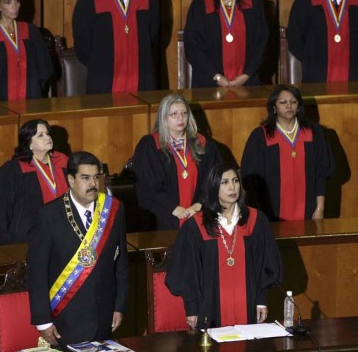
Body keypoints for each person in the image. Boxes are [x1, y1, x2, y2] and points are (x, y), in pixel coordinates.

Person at [27, 151, 128, 347]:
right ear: (71, 180)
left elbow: (121, 263)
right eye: (85, 178)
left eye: (96, 177)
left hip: (104, 317)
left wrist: (119, 305)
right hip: (65, 319)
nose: (93, 184)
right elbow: (36, 273)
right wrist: (43, 321)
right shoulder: (48, 216)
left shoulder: (114, 209)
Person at [165, 162, 283, 330]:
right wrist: (192, 308)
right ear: (214, 187)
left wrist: (261, 301)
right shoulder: (196, 226)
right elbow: (187, 270)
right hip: (209, 309)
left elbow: (265, 264)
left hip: (248, 307)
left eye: (235, 181)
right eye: (225, 182)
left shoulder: (256, 221)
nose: (232, 187)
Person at [72, 0, 160, 94]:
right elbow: (82, 45)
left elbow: (153, 36)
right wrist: (100, 64)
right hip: (104, 81)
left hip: (141, 79)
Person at [241, 84, 332, 221]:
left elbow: (321, 174)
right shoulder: (260, 137)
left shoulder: (314, 134)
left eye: (293, 102)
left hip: (308, 211)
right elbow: (252, 182)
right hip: (271, 214)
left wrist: (320, 209)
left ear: (299, 106)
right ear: (274, 107)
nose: (289, 106)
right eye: (283, 102)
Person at [132, 94, 221, 230]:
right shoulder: (150, 146)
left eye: (184, 113)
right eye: (174, 114)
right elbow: (147, 185)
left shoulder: (203, 144)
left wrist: (199, 204)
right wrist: (173, 208)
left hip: (198, 214)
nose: (180, 118)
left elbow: (214, 178)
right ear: (164, 119)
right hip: (163, 216)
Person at [184, 0, 268, 88]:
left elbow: (262, 42)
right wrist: (216, 75)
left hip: (248, 81)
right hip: (209, 81)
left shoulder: (253, 5)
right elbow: (193, 45)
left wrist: (247, 75)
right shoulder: (201, 6)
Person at [0, 119, 69, 244]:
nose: (47, 138)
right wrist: (9, 234)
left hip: (64, 231)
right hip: (30, 237)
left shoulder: (63, 161)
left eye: (47, 133)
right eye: (40, 135)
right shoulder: (14, 169)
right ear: (29, 143)